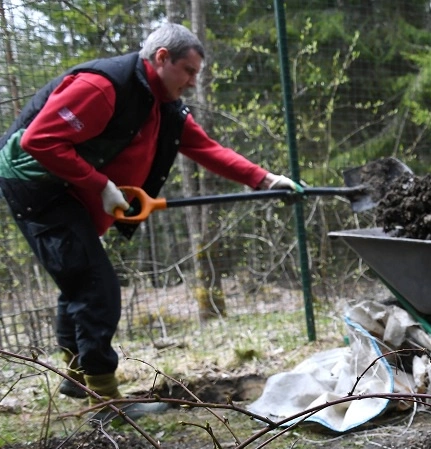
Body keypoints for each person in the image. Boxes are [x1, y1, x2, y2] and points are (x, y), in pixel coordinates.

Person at [0, 22, 300, 415]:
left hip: (69, 189)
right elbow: (39, 141)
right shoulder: (103, 87)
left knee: (78, 278)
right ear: (162, 59)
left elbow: (208, 150)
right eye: (189, 71)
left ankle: (78, 380)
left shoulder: (165, 108)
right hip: (36, 184)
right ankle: (105, 401)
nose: (193, 82)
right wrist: (100, 184)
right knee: (94, 284)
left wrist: (264, 179)